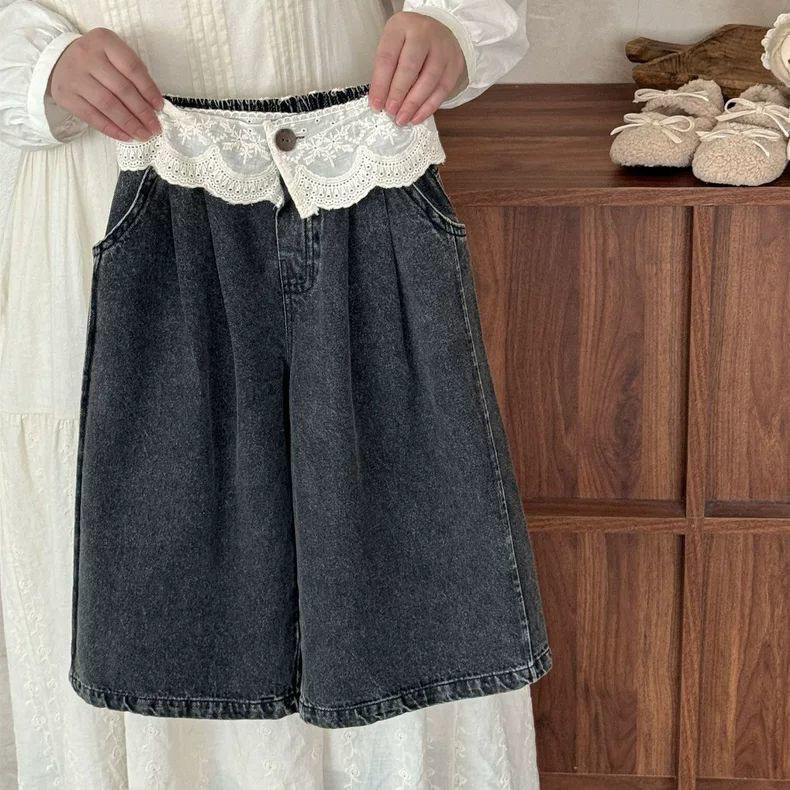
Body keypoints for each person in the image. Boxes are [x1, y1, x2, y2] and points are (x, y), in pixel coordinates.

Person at [0, 1, 551, 787]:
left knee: (389, 535)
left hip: (352, 174)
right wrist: (39, 64)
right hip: (105, 171)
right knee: (143, 555)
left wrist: (457, 27)